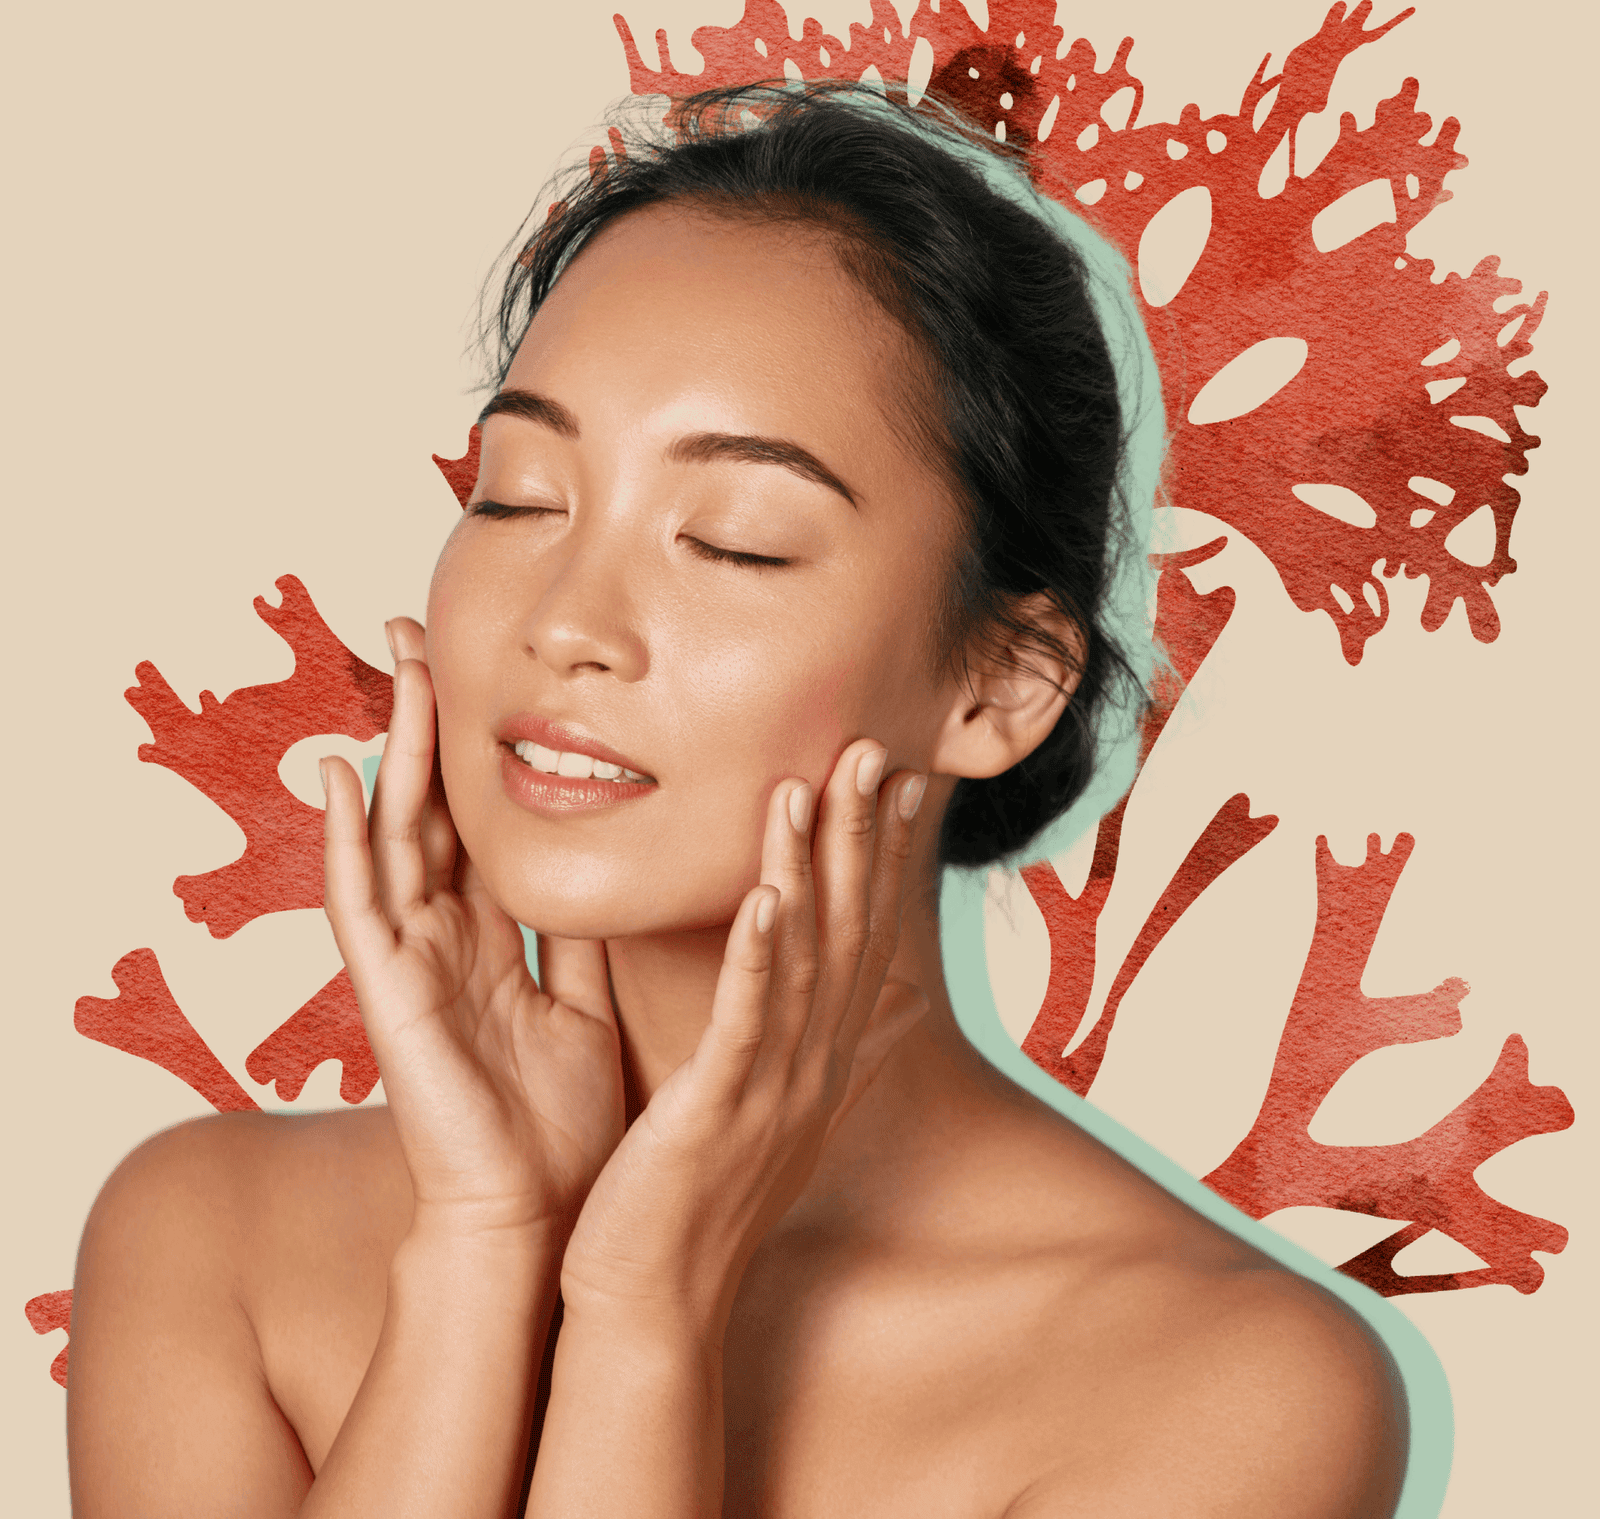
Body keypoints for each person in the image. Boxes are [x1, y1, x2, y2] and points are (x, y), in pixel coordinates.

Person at [65, 83, 1405, 1517]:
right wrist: (482, 1244)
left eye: (735, 541)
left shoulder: (1227, 1390)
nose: (568, 620)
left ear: (999, 683)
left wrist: (648, 1304)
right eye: (517, 497)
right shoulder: (207, 1238)